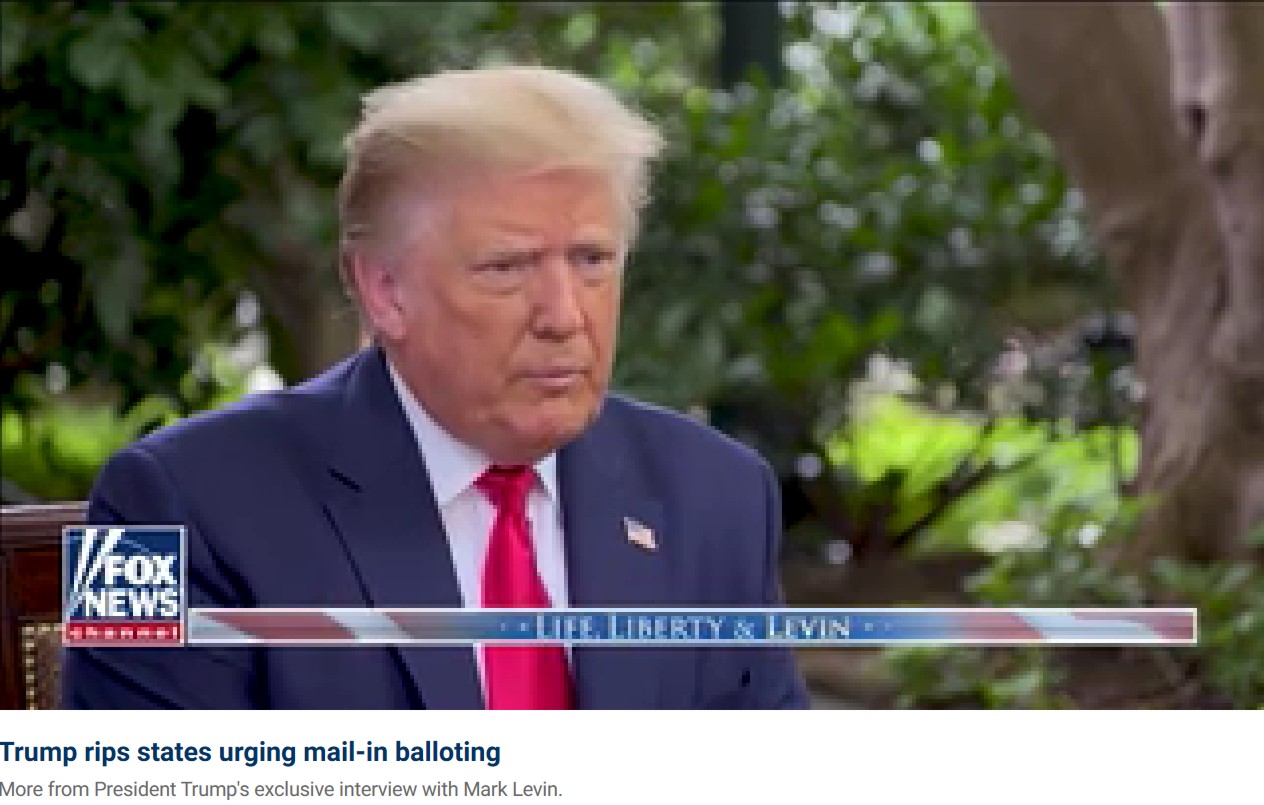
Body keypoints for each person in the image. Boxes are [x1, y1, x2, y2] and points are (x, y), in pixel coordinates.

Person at [62, 66, 809, 709]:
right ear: (384, 290)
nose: (564, 315)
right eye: (506, 267)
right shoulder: (159, 505)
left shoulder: (719, 495)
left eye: (592, 260)